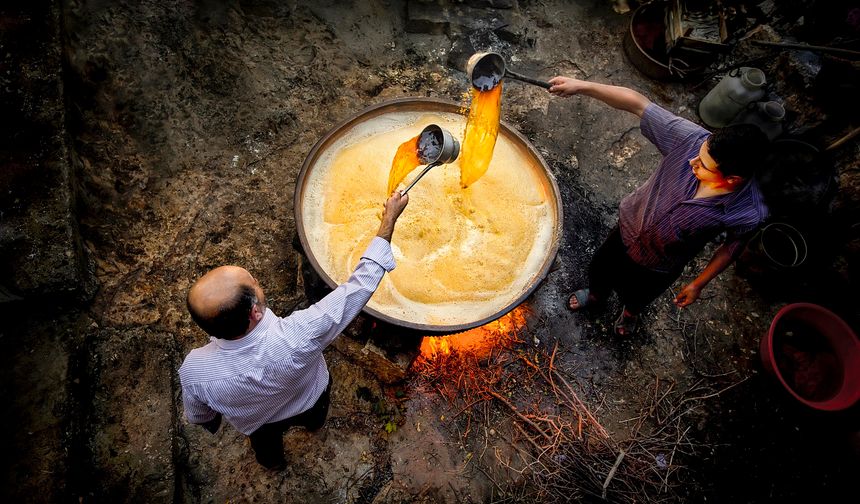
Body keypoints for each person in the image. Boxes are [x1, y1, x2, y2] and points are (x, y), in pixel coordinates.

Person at [178, 191, 409, 470]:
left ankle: (274, 465)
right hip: (309, 400)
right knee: (314, 418)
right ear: (255, 312)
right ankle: (313, 426)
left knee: (266, 448)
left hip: (258, 424)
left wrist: (221, 416)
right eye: (255, 282)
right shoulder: (299, 335)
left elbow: (200, 416)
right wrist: (389, 219)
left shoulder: (194, 371)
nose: (257, 281)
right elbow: (359, 287)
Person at [547, 76, 768, 336]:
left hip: (659, 264)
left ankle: (629, 315)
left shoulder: (748, 212)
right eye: (700, 153)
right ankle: (595, 297)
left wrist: (699, 284)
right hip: (625, 231)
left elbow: (732, 247)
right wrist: (583, 86)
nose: (692, 161)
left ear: (732, 179)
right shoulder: (691, 140)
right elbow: (639, 104)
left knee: (640, 295)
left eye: (703, 165)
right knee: (601, 269)